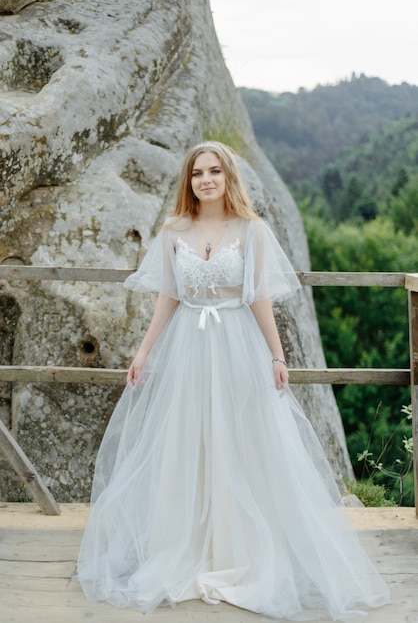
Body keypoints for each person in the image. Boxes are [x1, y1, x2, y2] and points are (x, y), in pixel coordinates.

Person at [77, 141, 390, 621]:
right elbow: (168, 295)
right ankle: (187, 547)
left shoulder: (252, 230)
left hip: (236, 345)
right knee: (187, 442)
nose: (205, 179)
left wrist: (276, 356)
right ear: (189, 181)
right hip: (186, 348)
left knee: (241, 442)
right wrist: (143, 351)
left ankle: (236, 552)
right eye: (198, 173)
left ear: (227, 179)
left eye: (215, 172)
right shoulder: (173, 230)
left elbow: (259, 297)